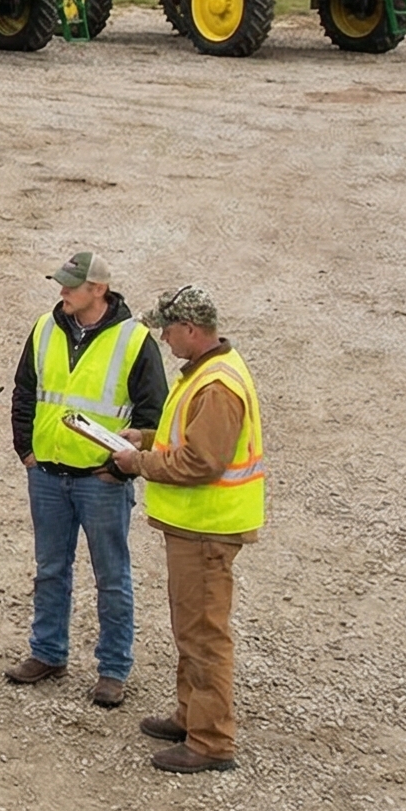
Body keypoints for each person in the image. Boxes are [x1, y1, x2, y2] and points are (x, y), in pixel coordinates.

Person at [110, 286, 265, 774]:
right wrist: (151, 437)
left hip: (207, 529)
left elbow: (201, 461)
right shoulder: (208, 374)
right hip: (196, 527)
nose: (165, 337)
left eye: (169, 328)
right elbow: (192, 440)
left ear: (192, 330)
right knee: (191, 627)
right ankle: (190, 715)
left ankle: (211, 740)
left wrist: (140, 461)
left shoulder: (216, 385)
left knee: (203, 634)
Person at [4, 251, 169, 708]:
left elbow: (155, 414)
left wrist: (119, 467)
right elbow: (25, 392)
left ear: (98, 290)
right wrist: (28, 451)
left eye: (71, 285)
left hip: (103, 481)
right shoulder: (43, 328)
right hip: (49, 474)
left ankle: (113, 670)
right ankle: (47, 652)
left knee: (111, 577)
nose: (62, 292)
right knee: (50, 571)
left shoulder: (135, 341)